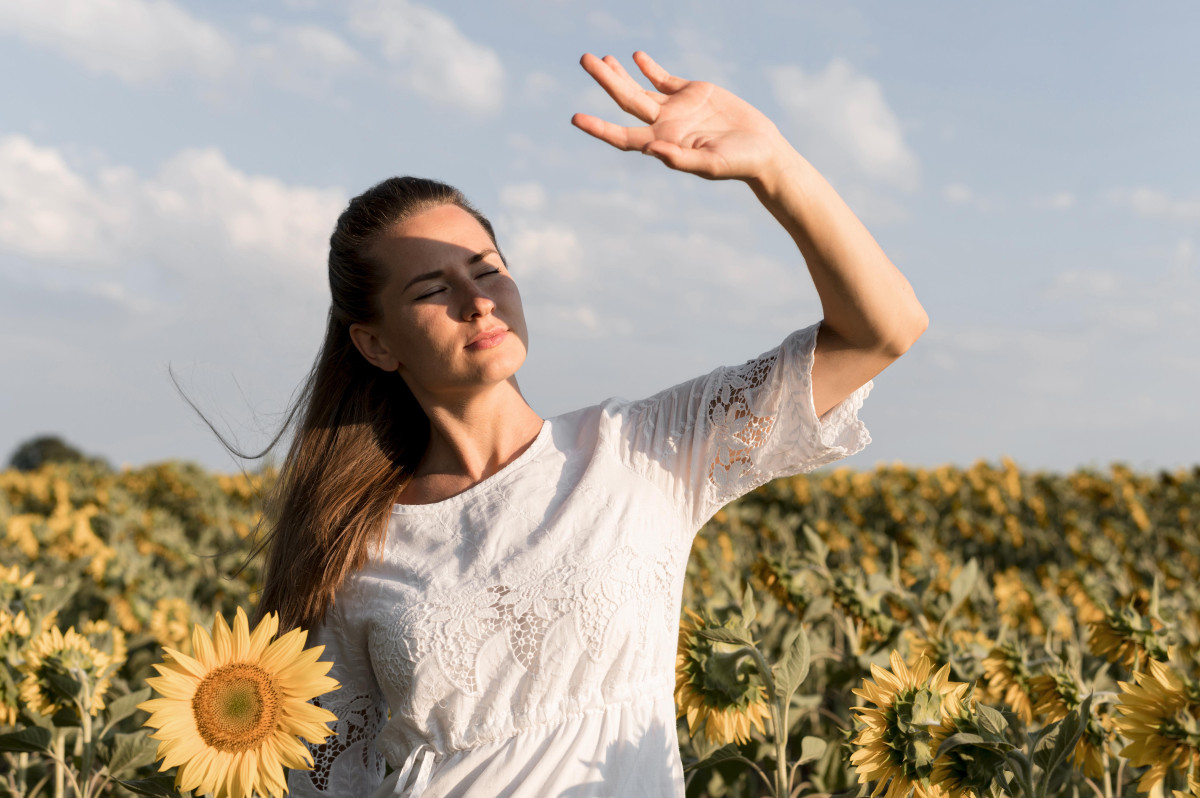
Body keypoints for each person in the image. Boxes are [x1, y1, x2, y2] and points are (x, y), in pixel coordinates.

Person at [266, 52, 928, 797]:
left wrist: (772, 165)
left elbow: (884, 329)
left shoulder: (642, 449)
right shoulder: (356, 547)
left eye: (487, 269)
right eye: (433, 288)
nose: (478, 300)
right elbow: (321, 782)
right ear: (375, 342)